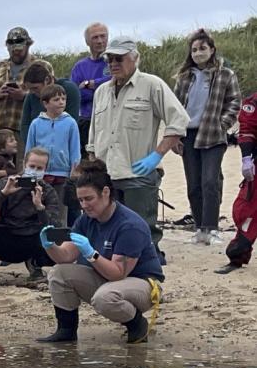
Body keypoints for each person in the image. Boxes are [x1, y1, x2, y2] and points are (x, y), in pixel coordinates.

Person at [37, 158, 163, 344]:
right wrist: (50, 245)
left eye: (89, 199)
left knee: (105, 298)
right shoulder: (86, 219)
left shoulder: (129, 225)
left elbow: (118, 274)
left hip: (142, 283)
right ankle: (66, 331)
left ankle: (137, 324)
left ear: (105, 192)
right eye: (81, 200)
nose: (84, 205)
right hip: (107, 277)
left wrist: (91, 253)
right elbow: (66, 257)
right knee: (58, 273)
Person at [88, 36, 189, 259]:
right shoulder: (101, 92)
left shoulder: (152, 85)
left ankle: (150, 276)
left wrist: (157, 154)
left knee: (143, 231)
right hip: (107, 174)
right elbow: (94, 134)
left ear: (135, 58)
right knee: (110, 233)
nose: (113, 63)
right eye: (109, 59)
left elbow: (179, 120)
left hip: (138, 173)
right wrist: (93, 166)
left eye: (119, 58)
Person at [173, 29, 241, 245]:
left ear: (212, 50)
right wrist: (175, 135)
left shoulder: (225, 75)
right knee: (193, 184)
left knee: (210, 181)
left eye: (202, 48)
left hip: (213, 133)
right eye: (194, 49)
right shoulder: (184, 78)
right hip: (189, 134)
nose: (198, 53)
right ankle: (200, 227)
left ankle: (212, 228)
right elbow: (175, 107)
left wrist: (223, 124)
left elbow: (234, 101)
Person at [0, 147, 61, 287]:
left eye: (39, 168)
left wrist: (39, 207)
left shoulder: (47, 191)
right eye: (32, 166)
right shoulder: (6, 182)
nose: (34, 171)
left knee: (61, 233)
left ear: (45, 170)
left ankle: (35, 266)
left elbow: (54, 226)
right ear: (24, 165)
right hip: (6, 237)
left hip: (33, 241)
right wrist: (3, 194)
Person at [0, 27, 52, 155]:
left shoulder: (42, 66)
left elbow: (52, 95)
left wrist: (24, 96)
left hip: (26, 131)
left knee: (23, 171)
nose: (16, 52)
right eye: (12, 49)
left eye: (19, 49)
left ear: (28, 45)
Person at [25, 84, 81, 226]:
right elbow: (29, 149)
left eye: (63, 99)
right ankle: (36, 242)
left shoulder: (70, 123)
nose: (61, 102)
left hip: (62, 174)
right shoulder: (36, 124)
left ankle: (59, 244)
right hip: (39, 174)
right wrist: (26, 171)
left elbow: (75, 148)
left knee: (60, 213)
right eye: (56, 99)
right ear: (45, 103)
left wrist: (74, 171)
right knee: (36, 209)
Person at [218, 91, 257, 273]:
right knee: (245, 210)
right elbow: (247, 130)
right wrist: (246, 158)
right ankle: (238, 254)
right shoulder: (253, 101)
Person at [70, 23, 111, 155]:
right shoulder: (80, 67)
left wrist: (90, 84)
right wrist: (100, 90)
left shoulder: (114, 61)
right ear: (87, 41)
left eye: (103, 36)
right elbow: (75, 95)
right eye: (95, 37)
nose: (100, 41)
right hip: (87, 120)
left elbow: (116, 82)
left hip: (110, 119)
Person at [18, 63, 81, 145]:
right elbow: (25, 124)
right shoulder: (31, 96)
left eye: (35, 88)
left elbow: (71, 123)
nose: (32, 92)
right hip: (37, 148)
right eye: (30, 89)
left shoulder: (69, 89)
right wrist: (31, 144)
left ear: (47, 80)